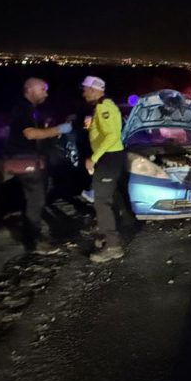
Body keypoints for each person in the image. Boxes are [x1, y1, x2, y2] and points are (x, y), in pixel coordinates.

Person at [4, 78, 72, 254]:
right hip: (26, 161)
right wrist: (59, 130)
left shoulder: (30, 110)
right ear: (30, 90)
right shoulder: (23, 109)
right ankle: (35, 242)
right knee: (36, 201)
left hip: (32, 160)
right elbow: (30, 134)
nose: (46, 93)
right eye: (42, 89)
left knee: (36, 200)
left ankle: (33, 239)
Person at [83, 78, 127, 263]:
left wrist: (93, 158)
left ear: (94, 90)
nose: (84, 93)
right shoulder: (103, 106)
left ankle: (113, 246)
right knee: (108, 199)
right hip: (109, 157)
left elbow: (112, 135)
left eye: (86, 90)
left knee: (102, 202)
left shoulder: (104, 107)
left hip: (108, 157)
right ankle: (108, 236)